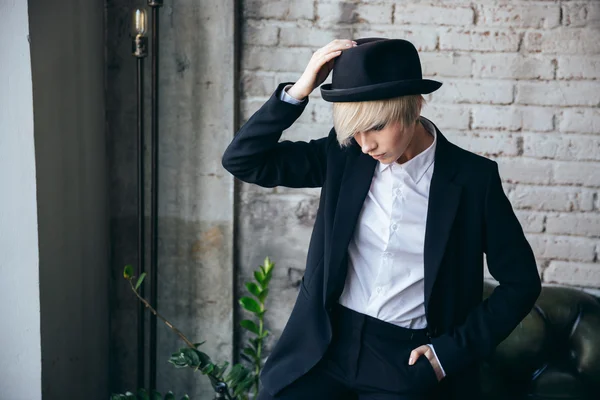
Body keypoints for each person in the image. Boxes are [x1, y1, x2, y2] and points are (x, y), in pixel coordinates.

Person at [221, 38, 541, 400]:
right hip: (324, 349)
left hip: (406, 362)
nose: (365, 144)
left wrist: (446, 355)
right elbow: (243, 161)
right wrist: (299, 89)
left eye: (374, 127)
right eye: (353, 130)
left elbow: (521, 283)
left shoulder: (472, 180)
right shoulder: (344, 156)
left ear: (413, 106)